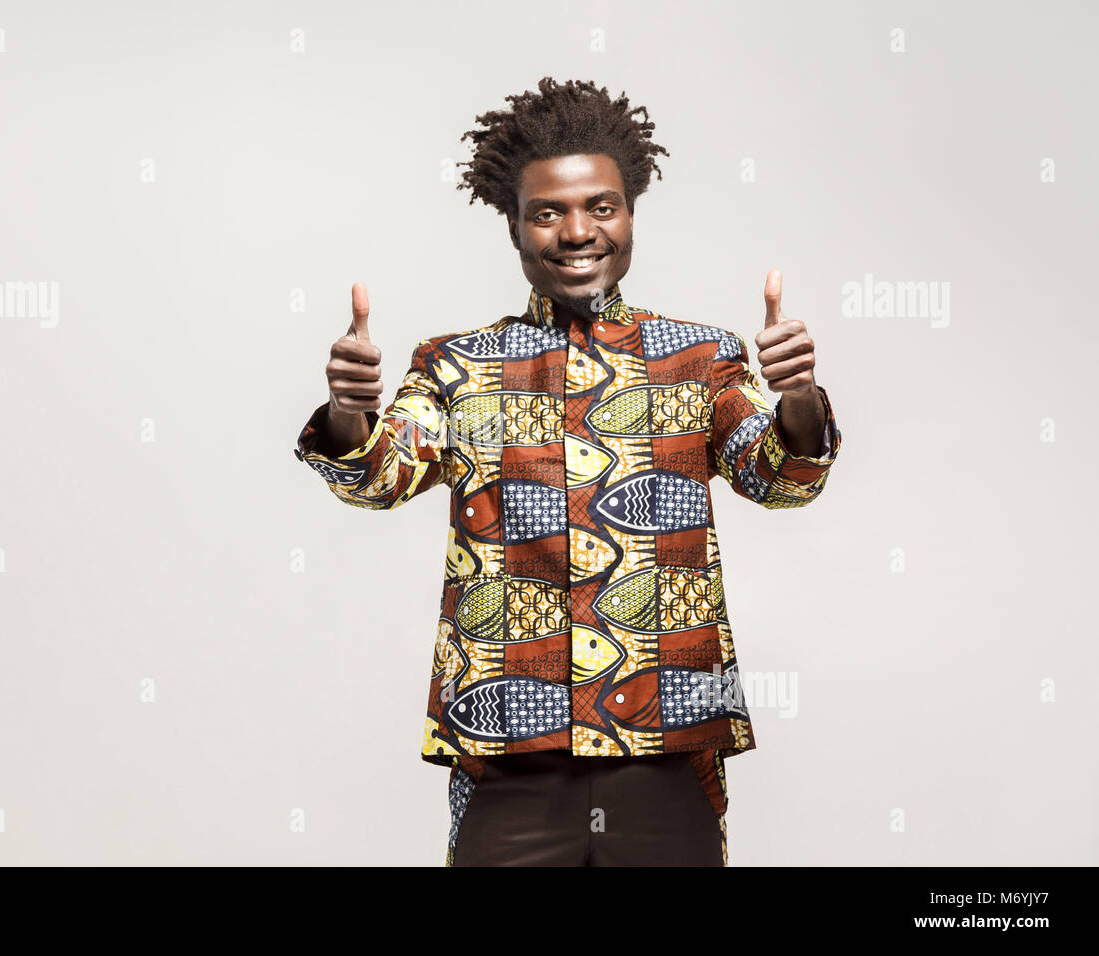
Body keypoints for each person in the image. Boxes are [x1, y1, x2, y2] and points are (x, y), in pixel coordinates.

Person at [293, 77, 843, 866]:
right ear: (514, 227)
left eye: (602, 207)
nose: (578, 231)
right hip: (509, 748)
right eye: (548, 212)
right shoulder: (454, 366)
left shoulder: (704, 357)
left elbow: (782, 477)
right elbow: (377, 476)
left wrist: (798, 400)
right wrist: (350, 414)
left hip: (672, 738)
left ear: (629, 214)